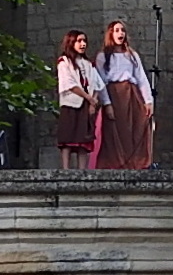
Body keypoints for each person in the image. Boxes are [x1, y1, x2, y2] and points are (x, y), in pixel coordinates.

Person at [94, 20, 154, 169]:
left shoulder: (131, 55)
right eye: (116, 30)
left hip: (131, 94)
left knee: (136, 126)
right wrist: (107, 103)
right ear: (111, 34)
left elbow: (141, 77)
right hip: (115, 95)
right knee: (116, 129)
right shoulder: (103, 57)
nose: (120, 33)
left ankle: (136, 161)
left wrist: (148, 100)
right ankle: (116, 162)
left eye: (122, 30)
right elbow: (101, 82)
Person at [55, 30, 107, 169]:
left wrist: (93, 102)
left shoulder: (88, 64)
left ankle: (82, 170)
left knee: (83, 139)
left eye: (84, 41)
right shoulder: (64, 62)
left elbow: (97, 83)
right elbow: (70, 84)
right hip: (71, 104)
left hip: (85, 105)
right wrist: (88, 98)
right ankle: (66, 169)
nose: (82, 44)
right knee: (67, 137)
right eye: (79, 41)